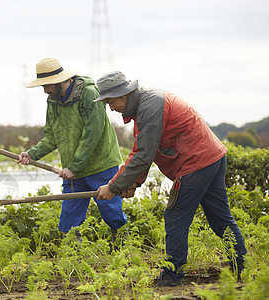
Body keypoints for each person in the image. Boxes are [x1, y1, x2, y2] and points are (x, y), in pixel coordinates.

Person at [95, 71, 247, 286]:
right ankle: (242, 266)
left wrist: (113, 186)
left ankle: (171, 277)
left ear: (125, 94)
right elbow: (144, 150)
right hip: (211, 157)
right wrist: (133, 182)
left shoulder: (150, 106)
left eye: (111, 101)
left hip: (196, 163)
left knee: (175, 217)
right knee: (220, 218)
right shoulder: (146, 105)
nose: (111, 108)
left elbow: (143, 154)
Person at [18, 58, 127, 240]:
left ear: (60, 80)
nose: (45, 90)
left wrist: (73, 167)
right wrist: (31, 154)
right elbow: (52, 135)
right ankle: (72, 257)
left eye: (46, 85)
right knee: (68, 220)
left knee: (111, 212)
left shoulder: (89, 93)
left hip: (100, 165)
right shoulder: (53, 100)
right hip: (73, 171)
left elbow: (92, 135)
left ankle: (124, 248)